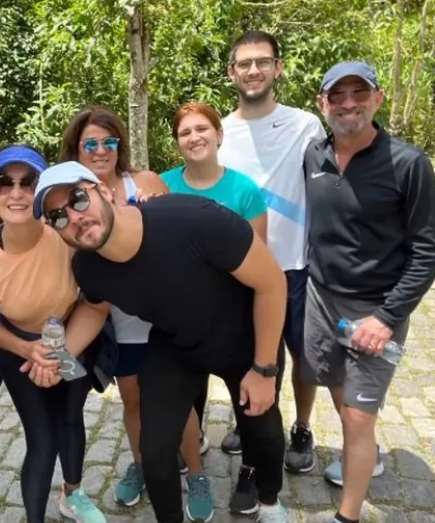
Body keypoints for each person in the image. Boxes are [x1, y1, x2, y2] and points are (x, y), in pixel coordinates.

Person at [34, 161, 290, 523]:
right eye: (57, 216)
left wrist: (264, 368)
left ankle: (269, 502)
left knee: (262, 429)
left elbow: (272, 283)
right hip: (176, 345)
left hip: (243, 338)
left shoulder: (194, 218)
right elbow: (94, 309)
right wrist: (58, 357)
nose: (73, 218)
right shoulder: (89, 267)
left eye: (78, 199)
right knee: (154, 451)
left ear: (105, 191)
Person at [303, 61, 435, 523]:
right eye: (336, 96)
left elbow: (427, 251)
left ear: (378, 98)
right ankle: (368, 453)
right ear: (323, 104)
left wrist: (386, 318)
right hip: (321, 300)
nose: (348, 104)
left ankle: (347, 516)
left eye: (359, 93)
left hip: (377, 310)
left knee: (359, 418)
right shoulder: (314, 155)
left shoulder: (409, 164)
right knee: (337, 391)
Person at [0, 145, 109, 523]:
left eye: (29, 182)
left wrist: (60, 355)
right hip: (17, 350)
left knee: (71, 418)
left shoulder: (65, 233)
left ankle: (72, 495)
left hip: (72, 340)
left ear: (42, 191)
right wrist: (27, 350)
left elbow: (94, 299)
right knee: (41, 439)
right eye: (3, 182)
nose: (16, 192)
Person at [216, 29, 327, 514]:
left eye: (263, 61)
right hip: (239, 272)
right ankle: (254, 430)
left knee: (302, 357)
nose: (254, 70)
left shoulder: (306, 125)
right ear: (231, 73)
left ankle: (301, 427)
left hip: (296, 267)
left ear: (278, 68)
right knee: (253, 361)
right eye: (245, 63)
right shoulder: (218, 131)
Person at [58, 105, 171, 509]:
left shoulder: (144, 181)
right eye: (91, 143)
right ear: (77, 149)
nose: (101, 150)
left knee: (173, 394)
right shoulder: (66, 197)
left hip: (163, 310)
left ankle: (189, 469)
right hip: (110, 313)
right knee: (133, 398)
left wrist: (157, 207)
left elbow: (175, 238)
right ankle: (142, 463)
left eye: (110, 141)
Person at [160, 101, 268, 521]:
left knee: (249, 404)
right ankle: (194, 444)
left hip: (233, 317)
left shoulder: (244, 191)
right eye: (185, 132)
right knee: (190, 394)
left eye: (202, 129)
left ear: (219, 135)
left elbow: (260, 265)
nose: (194, 137)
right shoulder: (162, 186)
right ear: (177, 143)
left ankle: (251, 472)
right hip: (179, 319)